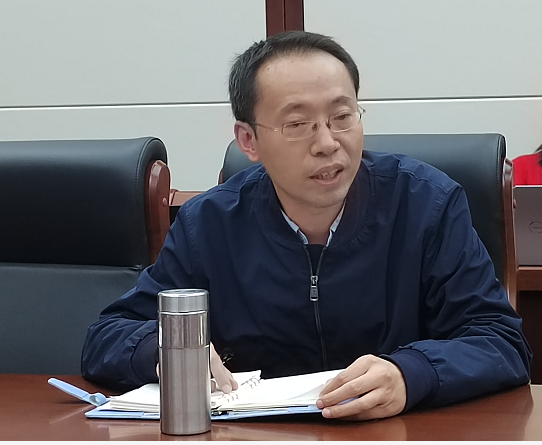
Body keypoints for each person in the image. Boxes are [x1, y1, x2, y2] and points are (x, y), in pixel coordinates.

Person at [82, 30, 531, 421]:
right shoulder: (209, 224)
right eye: (298, 124)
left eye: (342, 117)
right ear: (249, 140)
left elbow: (500, 341)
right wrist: (164, 353)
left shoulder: (426, 204)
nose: (327, 143)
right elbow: (108, 336)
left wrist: (411, 373)